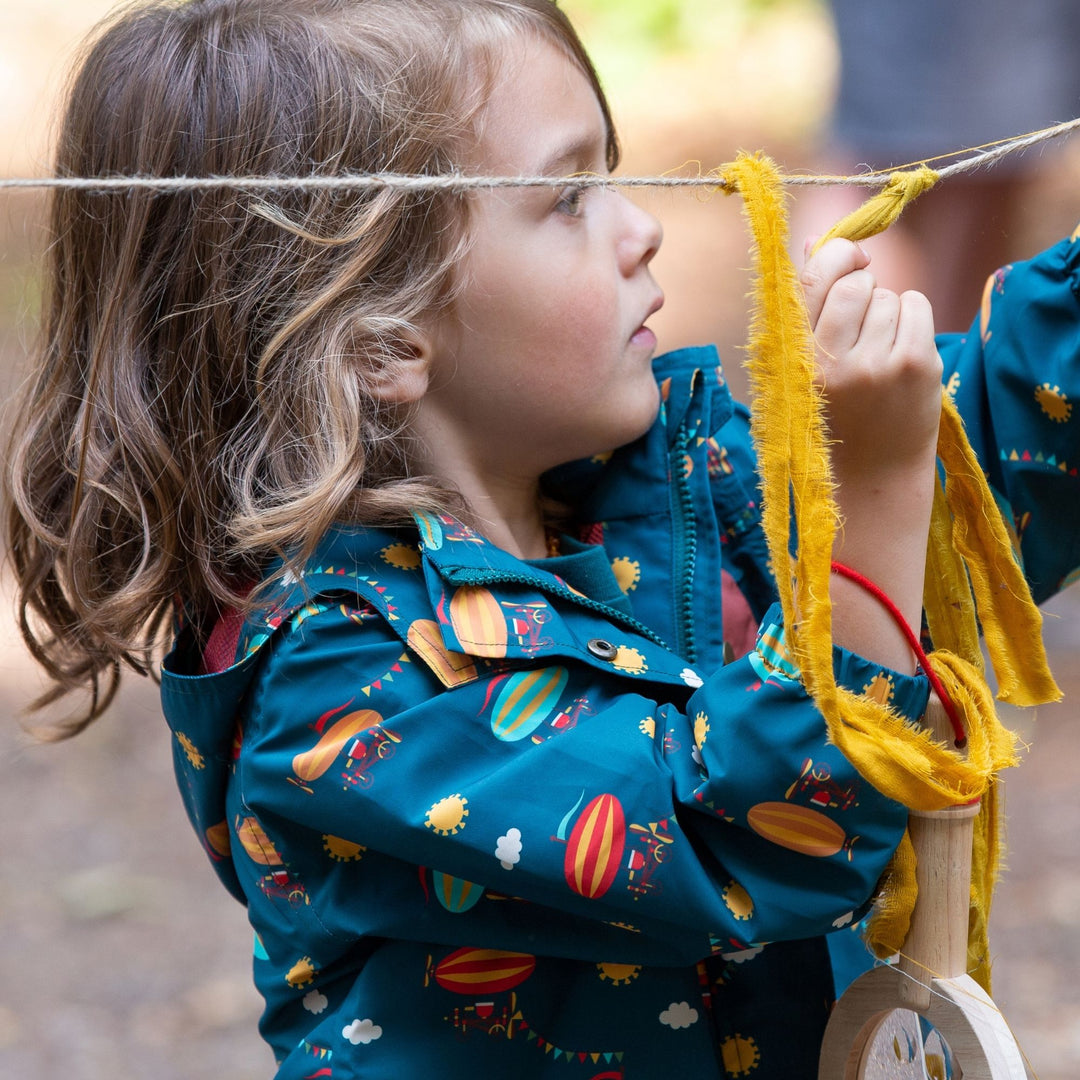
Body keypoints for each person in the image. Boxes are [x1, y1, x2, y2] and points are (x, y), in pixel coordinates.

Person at [2, 1, 1072, 1076]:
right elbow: (747, 832)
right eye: (568, 196)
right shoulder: (336, 689)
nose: (641, 225)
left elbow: (998, 453)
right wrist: (871, 491)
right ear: (381, 336)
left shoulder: (663, 484)